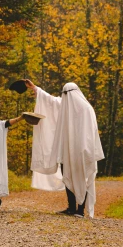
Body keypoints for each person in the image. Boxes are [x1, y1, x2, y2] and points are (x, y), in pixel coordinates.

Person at [26, 79, 104, 218]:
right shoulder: (65, 106)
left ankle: (80, 210)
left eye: (67, 93)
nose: (66, 96)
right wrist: (35, 88)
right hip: (67, 151)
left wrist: (86, 150)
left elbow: (90, 132)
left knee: (82, 178)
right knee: (67, 176)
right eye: (64, 93)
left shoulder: (86, 109)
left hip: (81, 151)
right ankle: (71, 207)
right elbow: (50, 100)